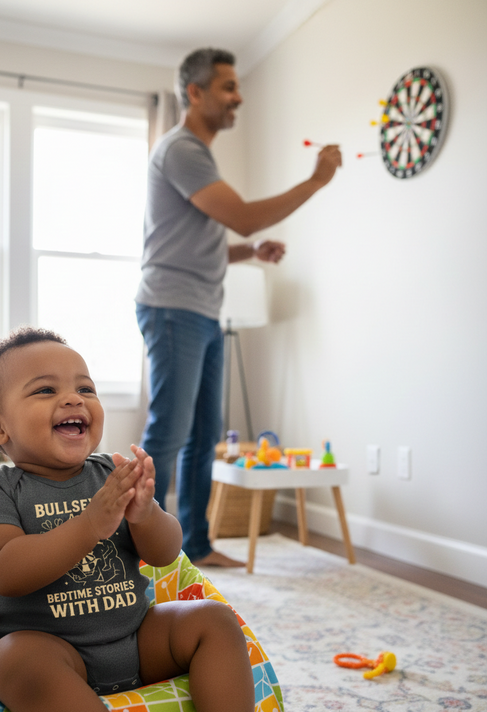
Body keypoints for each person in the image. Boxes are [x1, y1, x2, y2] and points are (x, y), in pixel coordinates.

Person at [0, 326, 254, 712]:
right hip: (55, 649)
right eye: (45, 390)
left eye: (85, 389)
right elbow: (5, 571)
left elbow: (166, 553)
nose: (73, 399)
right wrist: (89, 525)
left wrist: (145, 513)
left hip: (137, 638)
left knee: (214, 619)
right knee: (11, 660)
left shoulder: (111, 473)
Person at [136, 47, 342, 568]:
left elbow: (196, 246)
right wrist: (316, 181)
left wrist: (250, 253)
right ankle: (136, 552)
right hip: (173, 308)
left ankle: (195, 546)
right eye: (228, 87)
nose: (239, 96)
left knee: (205, 435)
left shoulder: (198, 156)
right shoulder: (181, 149)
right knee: (170, 432)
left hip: (202, 311)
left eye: (237, 86)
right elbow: (245, 218)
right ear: (196, 92)